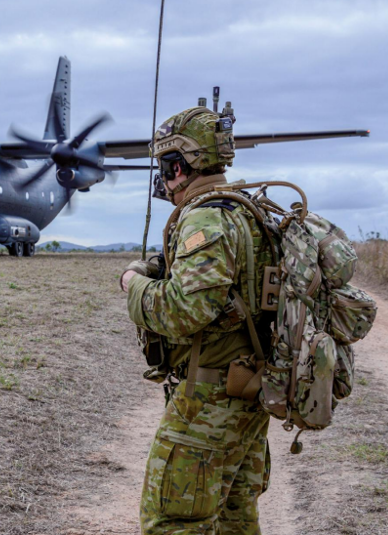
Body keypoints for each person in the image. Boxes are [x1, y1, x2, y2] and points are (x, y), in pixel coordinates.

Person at [121, 106, 274, 535]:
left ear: (178, 166)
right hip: (248, 394)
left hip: (208, 398)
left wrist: (132, 283)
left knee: (171, 521)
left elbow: (183, 311)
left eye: (165, 168)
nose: (163, 180)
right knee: (234, 519)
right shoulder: (247, 211)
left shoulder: (206, 217)